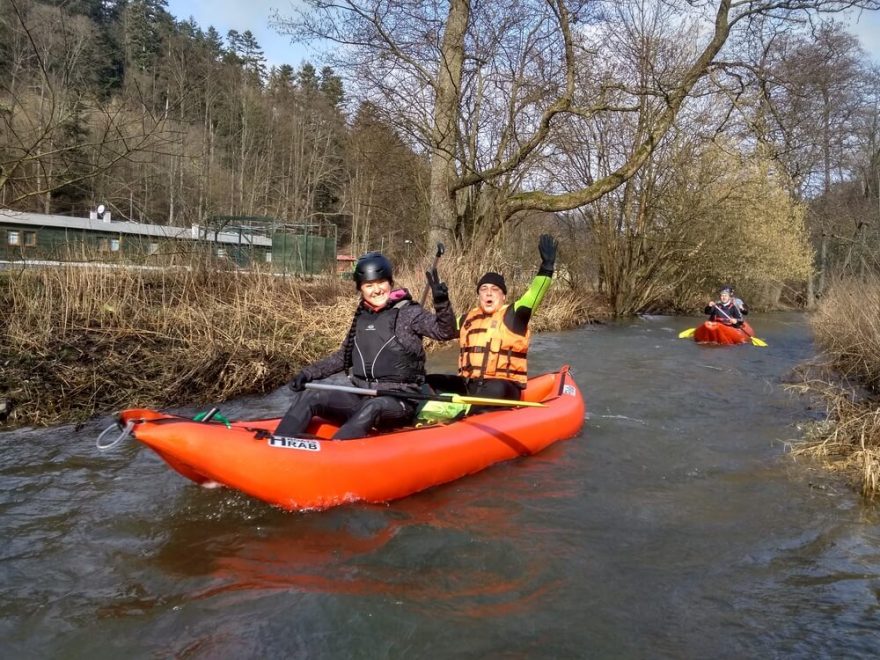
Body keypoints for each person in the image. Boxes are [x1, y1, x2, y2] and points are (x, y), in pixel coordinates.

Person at [274, 251, 457, 440]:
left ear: (390, 283)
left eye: (381, 283)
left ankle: (337, 454)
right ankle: (279, 443)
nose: (376, 290)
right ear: (361, 289)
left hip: (399, 401)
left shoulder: (410, 313)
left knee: (374, 406)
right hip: (361, 396)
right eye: (369, 285)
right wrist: (308, 373)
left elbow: (445, 332)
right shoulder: (361, 317)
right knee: (312, 396)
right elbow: (342, 357)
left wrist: (442, 304)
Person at [428, 234, 558, 404]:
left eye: (495, 289)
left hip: (504, 386)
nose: (489, 293)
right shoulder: (468, 319)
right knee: (428, 381)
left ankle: (466, 417)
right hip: (470, 385)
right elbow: (442, 328)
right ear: (479, 295)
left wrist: (547, 267)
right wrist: (440, 302)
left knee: (495, 389)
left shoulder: (515, 314)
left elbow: (535, 293)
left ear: (503, 296)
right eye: (484, 289)